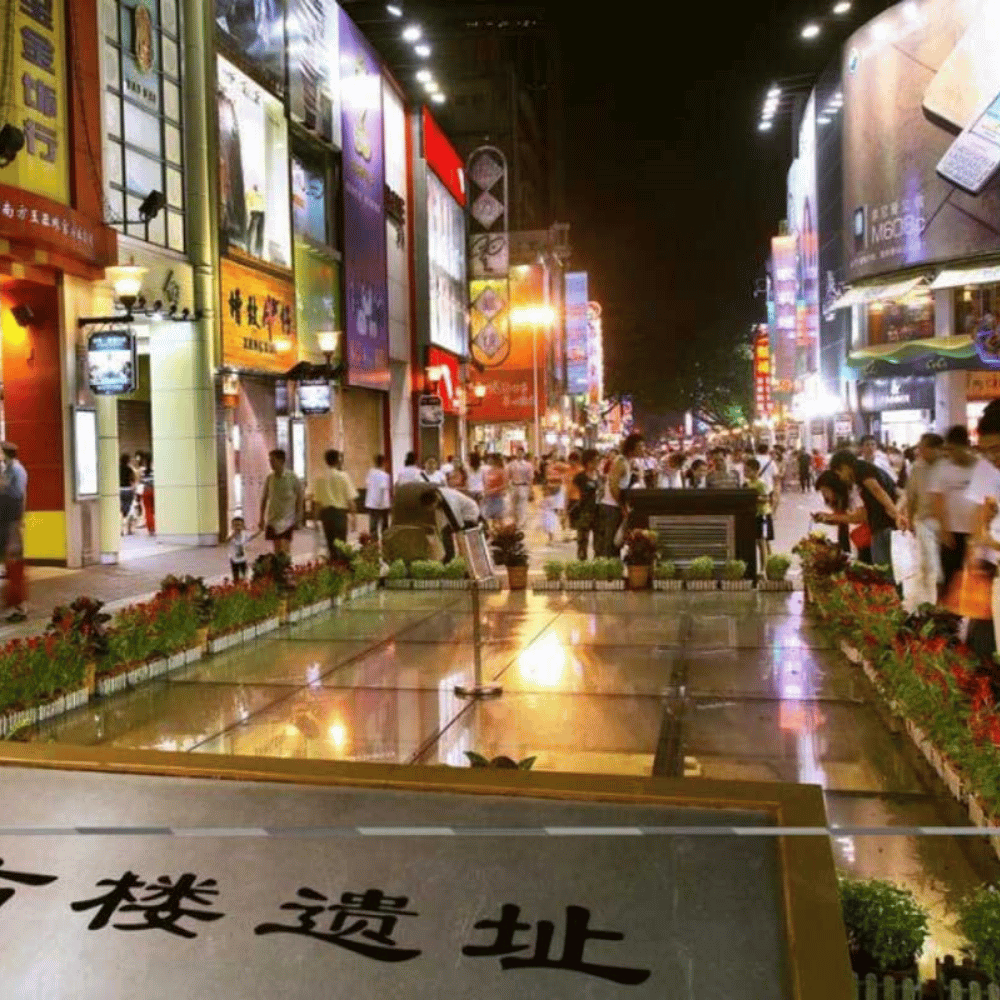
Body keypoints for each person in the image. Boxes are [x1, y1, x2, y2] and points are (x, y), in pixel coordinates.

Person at [828, 449, 908, 580]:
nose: (841, 478)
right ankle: (893, 591)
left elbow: (877, 490)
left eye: (839, 473)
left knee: (882, 571)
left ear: (844, 466)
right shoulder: (867, 469)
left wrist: (896, 514)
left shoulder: (860, 468)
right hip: (883, 524)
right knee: (887, 570)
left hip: (883, 524)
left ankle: (890, 592)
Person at [965, 401, 1000, 660]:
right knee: (981, 645)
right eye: (986, 452)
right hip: (992, 569)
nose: (993, 459)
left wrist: (989, 541)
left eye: (997, 449)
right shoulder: (988, 471)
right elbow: (981, 513)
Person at [930, 425, 978, 596]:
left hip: (977, 533)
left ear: (966, 445)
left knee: (977, 580)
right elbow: (938, 501)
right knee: (950, 579)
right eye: (948, 449)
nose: (950, 454)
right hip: (951, 533)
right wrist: (943, 530)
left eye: (953, 449)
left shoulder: (981, 466)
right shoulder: (942, 468)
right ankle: (947, 611)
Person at [904, 432, 943, 606]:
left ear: (935, 449)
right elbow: (911, 496)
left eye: (923, 447)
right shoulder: (917, 468)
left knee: (942, 561)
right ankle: (928, 600)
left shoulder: (946, 466)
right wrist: (910, 519)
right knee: (928, 561)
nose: (919, 450)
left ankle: (940, 595)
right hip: (924, 520)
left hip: (945, 522)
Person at [597, 432, 645, 557]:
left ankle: (613, 565)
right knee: (611, 542)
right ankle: (608, 567)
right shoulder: (621, 462)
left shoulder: (628, 462)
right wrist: (621, 505)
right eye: (640, 446)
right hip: (611, 507)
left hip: (616, 506)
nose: (643, 449)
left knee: (616, 542)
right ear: (632, 447)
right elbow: (613, 485)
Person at [814, 469, 871, 562]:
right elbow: (841, 519)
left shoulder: (855, 495)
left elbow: (857, 518)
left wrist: (830, 517)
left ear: (835, 488)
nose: (824, 495)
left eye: (825, 491)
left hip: (866, 543)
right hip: (854, 542)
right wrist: (825, 518)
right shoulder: (840, 501)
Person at [0, 442, 28, 622]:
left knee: (15, 565)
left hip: (11, 523)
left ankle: (19, 608)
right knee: (12, 566)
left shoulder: (15, 470)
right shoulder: (11, 469)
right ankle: (15, 606)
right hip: (9, 522)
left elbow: (15, 495)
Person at [258, 449, 304, 556]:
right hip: (273, 519)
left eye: (273, 460)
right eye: (270, 460)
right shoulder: (270, 478)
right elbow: (264, 499)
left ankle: (286, 565)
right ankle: (279, 565)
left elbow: (300, 497)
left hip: (287, 519)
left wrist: (298, 516)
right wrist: (261, 518)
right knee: (277, 549)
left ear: (282, 461)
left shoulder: (292, 478)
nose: (271, 463)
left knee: (284, 549)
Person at [420, 487, 481, 564]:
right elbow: (442, 523)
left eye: (431, 507)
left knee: (458, 534)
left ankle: (461, 558)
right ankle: (449, 556)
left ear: (434, 501)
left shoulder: (450, 501)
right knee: (445, 532)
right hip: (460, 513)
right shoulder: (438, 494)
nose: (432, 509)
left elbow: (458, 525)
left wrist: (460, 549)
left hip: (469, 514)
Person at [314, 449, 356, 552]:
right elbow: (350, 500)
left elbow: (318, 503)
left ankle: (332, 560)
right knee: (341, 545)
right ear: (337, 460)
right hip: (339, 515)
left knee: (330, 545)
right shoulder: (344, 476)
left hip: (326, 515)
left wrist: (315, 519)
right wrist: (353, 517)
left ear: (326, 461)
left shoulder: (320, 478)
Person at [569, 449, 600, 561]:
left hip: (598, 512)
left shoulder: (600, 476)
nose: (597, 463)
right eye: (595, 461)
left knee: (598, 542)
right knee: (582, 541)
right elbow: (572, 493)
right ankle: (582, 564)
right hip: (584, 512)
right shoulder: (580, 477)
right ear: (588, 462)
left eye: (598, 460)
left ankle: (597, 564)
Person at [744, 458, 773, 574]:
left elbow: (766, 498)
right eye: (745, 470)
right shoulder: (748, 483)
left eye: (748, 471)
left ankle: (763, 570)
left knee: (762, 542)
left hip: (763, 515)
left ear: (756, 471)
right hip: (754, 515)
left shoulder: (761, 483)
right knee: (762, 541)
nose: (745, 473)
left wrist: (753, 498)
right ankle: (770, 566)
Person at [364, 455, 392, 541]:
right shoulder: (385, 475)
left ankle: (374, 543)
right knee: (384, 527)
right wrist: (380, 503)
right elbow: (382, 490)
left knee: (373, 527)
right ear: (383, 463)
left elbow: (367, 484)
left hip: (371, 504)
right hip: (383, 505)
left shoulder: (370, 473)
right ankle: (385, 542)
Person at [542, 452, 568, 545]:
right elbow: (546, 479)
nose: (552, 459)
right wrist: (546, 491)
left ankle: (564, 533)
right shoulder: (548, 467)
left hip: (559, 490)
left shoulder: (561, 466)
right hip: (550, 491)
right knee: (550, 514)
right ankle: (551, 538)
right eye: (552, 457)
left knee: (562, 512)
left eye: (555, 457)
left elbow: (567, 471)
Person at [507, 447, 534, 531]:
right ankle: (515, 522)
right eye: (518, 452)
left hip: (524, 486)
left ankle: (521, 523)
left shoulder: (528, 465)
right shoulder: (511, 464)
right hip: (514, 486)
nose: (519, 454)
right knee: (513, 506)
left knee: (522, 506)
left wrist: (531, 490)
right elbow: (508, 476)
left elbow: (530, 478)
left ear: (523, 454)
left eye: (521, 453)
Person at [482, 453, 508, 531]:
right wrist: (485, 492)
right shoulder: (489, 471)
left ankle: (504, 534)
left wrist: (494, 490)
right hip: (489, 497)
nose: (489, 460)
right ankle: (494, 534)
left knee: (499, 519)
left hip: (498, 497)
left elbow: (505, 485)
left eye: (491, 459)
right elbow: (486, 483)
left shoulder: (501, 471)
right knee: (492, 520)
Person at [227, 515, 251, 581]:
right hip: (234, 558)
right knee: (235, 574)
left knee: (244, 574)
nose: (237, 527)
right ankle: (236, 582)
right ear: (232, 526)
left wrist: (260, 531)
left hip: (243, 558)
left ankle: (244, 581)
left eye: (239, 525)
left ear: (243, 526)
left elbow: (251, 537)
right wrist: (233, 535)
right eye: (235, 525)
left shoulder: (244, 534)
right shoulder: (231, 534)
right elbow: (227, 540)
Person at [119, 453, 137, 536]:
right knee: (128, 509)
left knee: (121, 510)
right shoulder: (129, 469)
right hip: (128, 490)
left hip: (120, 490)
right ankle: (128, 528)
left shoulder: (117, 469)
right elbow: (133, 480)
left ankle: (121, 529)